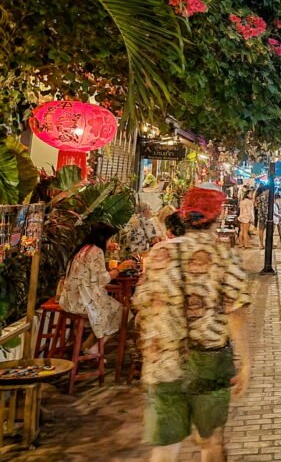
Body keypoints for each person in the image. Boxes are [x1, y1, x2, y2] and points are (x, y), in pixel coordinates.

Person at [134, 184, 251, 462]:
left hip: (162, 361)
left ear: (184, 215)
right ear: (217, 216)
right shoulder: (225, 256)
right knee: (210, 442)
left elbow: (141, 310)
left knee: (164, 448)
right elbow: (235, 315)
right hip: (207, 361)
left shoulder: (159, 254)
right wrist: (246, 362)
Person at [59, 223, 135, 354]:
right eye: (110, 239)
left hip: (69, 300)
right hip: (82, 302)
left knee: (109, 310)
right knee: (123, 312)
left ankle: (85, 347)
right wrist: (120, 268)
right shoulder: (96, 251)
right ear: (103, 238)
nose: (110, 242)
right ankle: (94, 350)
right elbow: (102, 279)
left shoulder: (84, 249)